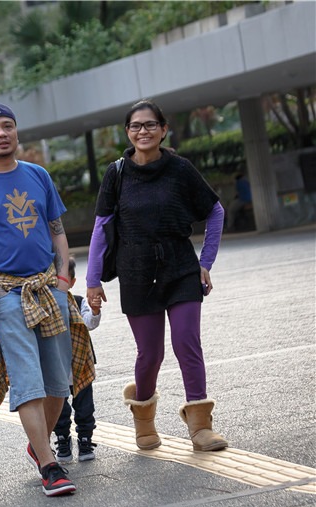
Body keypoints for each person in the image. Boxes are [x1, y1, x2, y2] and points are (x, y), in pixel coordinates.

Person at [0, 102, 94, 497]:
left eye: (8, 126)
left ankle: (39, 443)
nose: (2, 133)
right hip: (7, 293)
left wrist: (63, 280)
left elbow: (57, 229)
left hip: (49, 288)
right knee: (27, 379)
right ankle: (49, 465)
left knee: (59, 381)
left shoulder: (38, 175)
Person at [86, 100, 228, 452]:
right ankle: (144, 421)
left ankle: (200, 426)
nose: (143, 132)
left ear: (164, 130)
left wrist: (205, 261)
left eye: (150, 125)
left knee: (186, 343)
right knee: (150, 354)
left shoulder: (180, 169)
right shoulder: (117, 173)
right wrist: (92, 280)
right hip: (136, 274)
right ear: (128, 133)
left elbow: (215, 211)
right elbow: (101, 228)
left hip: (180, 269)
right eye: (136, 126)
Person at [51, 256, 100, 462]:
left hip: (81, 366)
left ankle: (85, 440)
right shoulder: (46, 305)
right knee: (58, 411)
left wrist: (95, 309)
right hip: (56, 368)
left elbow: (89, 323)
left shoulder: (79, 302)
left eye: (63, 279)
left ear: (71, 282)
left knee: (85, 407)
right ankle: (63, 439)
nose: (58, 283)